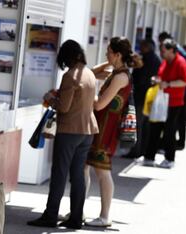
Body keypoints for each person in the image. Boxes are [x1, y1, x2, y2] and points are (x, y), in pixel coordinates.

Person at [26, 39, 99, 229]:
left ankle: (50, 215)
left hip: (69, 131)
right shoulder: (89, 74)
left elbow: (64, 107)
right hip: (87, 130)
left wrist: (50, 99)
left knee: (59, 173)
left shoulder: (70, 76)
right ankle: (76, 218)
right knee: (77, 176)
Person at [84, 37, 141, 227]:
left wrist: (89, 91)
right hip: (99, 126)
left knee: (102, 171)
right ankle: (78, 209)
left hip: (106, 129)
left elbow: (99, 104)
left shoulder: (120, 77)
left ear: (118, 54)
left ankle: (104, 215)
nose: (105, 54)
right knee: (85, 167)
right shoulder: (115, 71)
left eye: (109, 52)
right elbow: (90, 72)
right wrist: (110, 61)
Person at [144, 39, 186, 168]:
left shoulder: (180, 62)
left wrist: (169, 84)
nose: (161, 52)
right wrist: (156, 80)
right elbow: (161, 76)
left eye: (164, 50)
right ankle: (149, 157)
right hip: (161, 100)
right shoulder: (165, 62)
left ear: (172, 50)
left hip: (174, 102)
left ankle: (170, 159)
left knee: (169, 130)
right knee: (155, 128)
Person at [123, 39, 161, 158]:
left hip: (141, 96)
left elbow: (141, 79)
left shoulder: (146, 59)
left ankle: (135, 151)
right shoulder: (156, 59)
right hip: (150, 96)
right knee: (145, 125)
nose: (140, 48)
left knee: (137, 125)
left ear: (147, 47)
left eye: (142, 46)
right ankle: (142, 150)